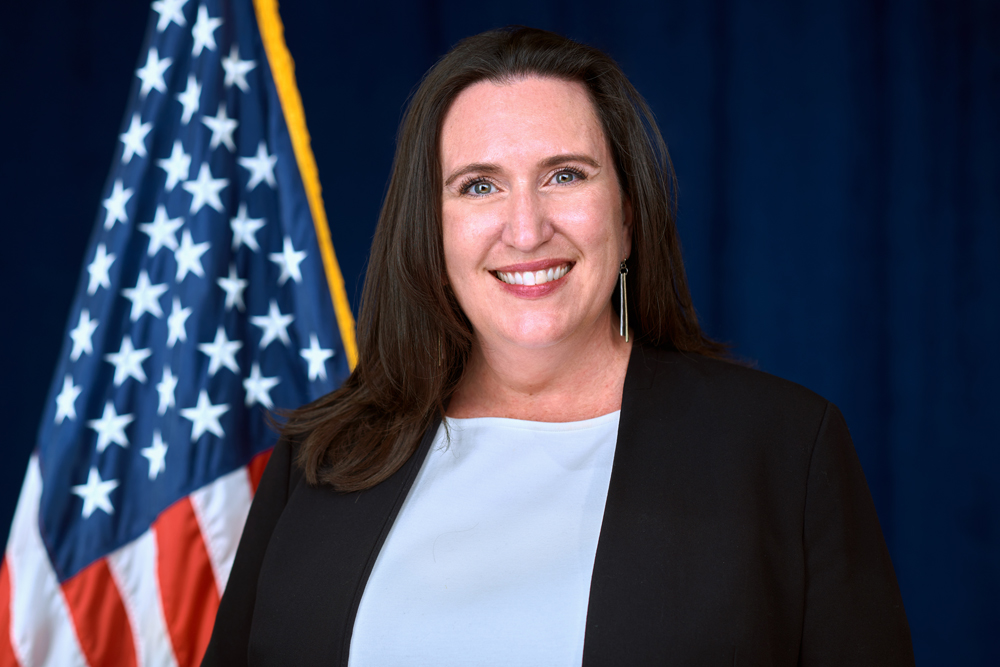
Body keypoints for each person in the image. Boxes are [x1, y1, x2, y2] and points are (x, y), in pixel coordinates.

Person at [202, 26, 914, 666]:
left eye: (565, 175)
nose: (525, 227)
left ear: (627, 215)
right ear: (431, 231)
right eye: (479, 185)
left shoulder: (786, 449)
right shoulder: (324, 455)